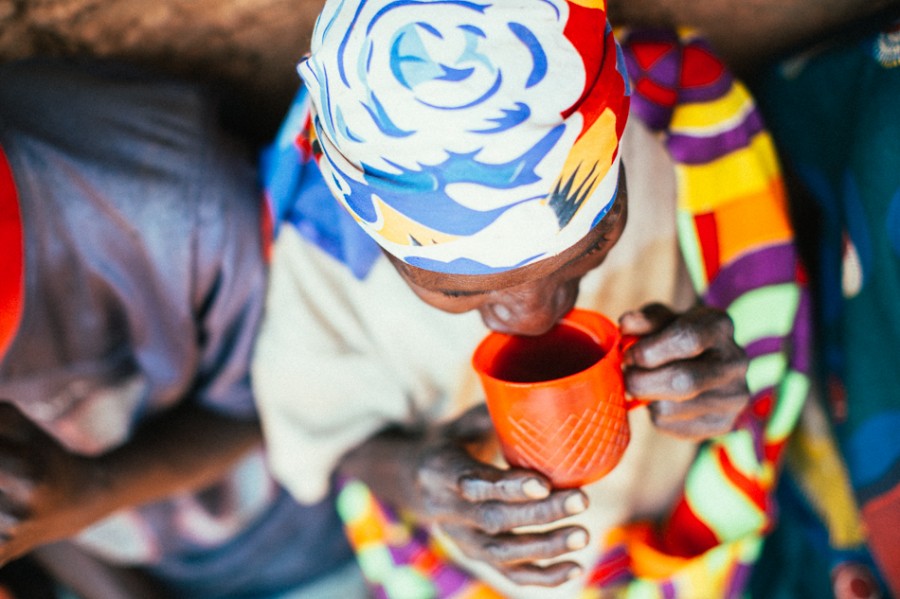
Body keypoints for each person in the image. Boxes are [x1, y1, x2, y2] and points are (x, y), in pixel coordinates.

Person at [252, 0, 810, 596]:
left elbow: (757, 301)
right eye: (455, 290)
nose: (539, 317)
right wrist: (415, 477)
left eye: (592, 241)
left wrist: (726, 384)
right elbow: (317, 439)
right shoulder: (326, 245)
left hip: (673, 545)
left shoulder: (675, 128)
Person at [0, 58, 363, 598]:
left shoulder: (171, 202)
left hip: (315, 544)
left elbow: (305, 399)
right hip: (119, 573)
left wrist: (91, 490)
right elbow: (28, 511)